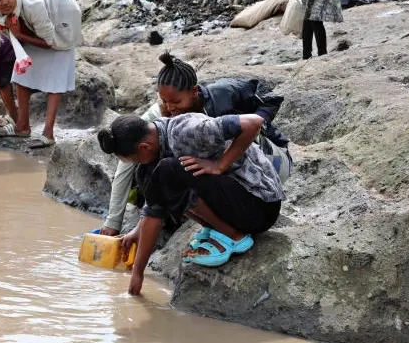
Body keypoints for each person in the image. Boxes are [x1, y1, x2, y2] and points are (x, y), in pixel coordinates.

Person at [98, 53, 290, 237]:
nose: (170, 107)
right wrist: (114, 222)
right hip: (226, 179)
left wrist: (222, 163)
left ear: (194, 92)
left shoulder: (223, 95)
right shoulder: (161, 113)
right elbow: (128, 156)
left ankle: (233, 228)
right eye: (164, 101)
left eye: (175, 101)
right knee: (163, 171)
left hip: (267, 161)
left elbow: (267, 104)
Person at [98, 112, 285, 296]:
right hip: (236, 203)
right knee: (152, 174)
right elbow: (155, 207)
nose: (136, 164)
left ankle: (234, 236)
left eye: (134, 160)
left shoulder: (186, 131)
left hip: (260, 205)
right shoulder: (157, 141)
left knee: (168, 170)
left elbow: (254, 122)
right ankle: (219, 230)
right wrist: (137, 233)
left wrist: (220, 165)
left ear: (144, 147)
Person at [0, 0, 82, 149]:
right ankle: (22, 126)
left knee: (56, 76)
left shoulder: (33, 5)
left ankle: (48, 133)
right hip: (31, 30)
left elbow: (51, 42)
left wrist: (20, 35)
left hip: (61, 15)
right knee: (22, 74)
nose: (4, 2)